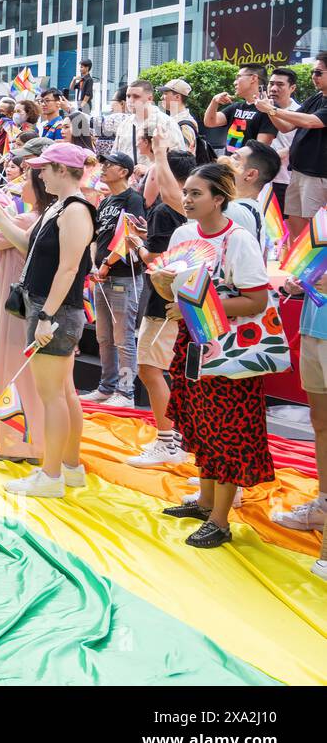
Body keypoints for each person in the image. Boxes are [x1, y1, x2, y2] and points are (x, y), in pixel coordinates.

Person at [152, 164, 272, 548]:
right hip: (193, 344)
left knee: (227, 430)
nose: (186, 199)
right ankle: (205, 503)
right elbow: (173, 291)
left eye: (196, 193)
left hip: (230, 351)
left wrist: (195, 304)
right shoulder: (184, 234)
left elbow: (256, 299)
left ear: (219, 198)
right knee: (200, 421)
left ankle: (220, 520)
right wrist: (167, 289)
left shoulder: (238, 239)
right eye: (186, 192)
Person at [0, 143, 96, 497]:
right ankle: (69, 467)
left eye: (45, 169)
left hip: (55, 312)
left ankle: (51, 475)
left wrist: (48, 314)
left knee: (53, 396)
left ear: (62, 170)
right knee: (62, 393)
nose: (39, 175)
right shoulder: (60, 209)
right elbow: (29, 248)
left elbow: (69, 268)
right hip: (49, 309)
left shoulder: (75, 210)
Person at [0, 157, 53, 462]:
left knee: (14, 371)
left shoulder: (26, 221)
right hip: (35, 305)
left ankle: (19, 443)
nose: (20, 186)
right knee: (33, 374)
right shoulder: (43, 219)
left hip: (15, 306)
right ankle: (38, 441)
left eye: (27, 181)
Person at [127, 142, 196, 466]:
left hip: (164, 302)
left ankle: (169, 441)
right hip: (186, 300)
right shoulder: (190, 211)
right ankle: (178, 438)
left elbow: (156, 257)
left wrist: (138, 244)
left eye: (153, 171)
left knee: (150, 368)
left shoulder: (164, 209)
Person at [83, 151, 146, 407]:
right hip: (102, 276)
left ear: (124, 172)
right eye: (104, 164)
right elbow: (98, 237)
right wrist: (94, 264)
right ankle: (106, 387)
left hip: (123, 277)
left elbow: (130, 237)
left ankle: (126, 392)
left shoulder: (133, 199)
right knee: (103, 337)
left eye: (110, 165)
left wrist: (106, 265)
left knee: (123, 337)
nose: (104, 168)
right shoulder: (107, 202)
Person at [273, 276, 327, 563]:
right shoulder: (315, 231)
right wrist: (299, 281)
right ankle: (323, 507)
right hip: (313, 326)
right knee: (319, 422)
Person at [258, 51, 327, 239]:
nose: (314, 76)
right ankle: (299, 266)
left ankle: (318, 268)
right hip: (298, 172)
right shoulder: (316, 97)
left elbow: (312, 121)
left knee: (316, 232)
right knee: (296, 228)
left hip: (317, 175)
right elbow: (287, 127)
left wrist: (272, 109)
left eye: (319, 73)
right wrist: (271, 111)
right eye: (313, 72)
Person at [226, 140, 280, 252]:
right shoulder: (249, 208)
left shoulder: (237, 212)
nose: (227, 159)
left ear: (250, 174)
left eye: (235, 158)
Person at [203, 64, 270, 152]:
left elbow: (260, 148)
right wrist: (214, 102)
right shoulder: (236, 107)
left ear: (253, 78)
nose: (235, 82)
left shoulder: (267, 110)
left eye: (238, 77)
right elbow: (210, 122)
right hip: (229, 163)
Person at [113, 79, 186, 159]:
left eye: (136, 96)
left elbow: (179, 160)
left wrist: (150, 169)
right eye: (128, 96)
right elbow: (115, 155)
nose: (130, 100)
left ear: (150, 99)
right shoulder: (124, 125)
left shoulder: (166, 123)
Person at [262, 67, 300, 209]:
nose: (273, 88)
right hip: (262, 178)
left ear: (292, 88)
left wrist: (284, 152)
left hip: (285, 179)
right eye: (271, 84)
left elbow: (303, 144)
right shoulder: (261, 108)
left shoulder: (299, 113)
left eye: (280, 84)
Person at [158, 78, 200, 153]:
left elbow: (185, 157)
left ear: (177, 97)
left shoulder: (185, 125)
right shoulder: (173, 120)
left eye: (165, 94)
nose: (161, 97)